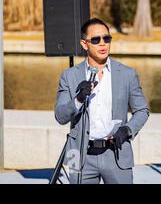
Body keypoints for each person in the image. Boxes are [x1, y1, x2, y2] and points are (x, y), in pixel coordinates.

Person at [54, 18, 149, 184]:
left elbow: (142, 110)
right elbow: (60, 116)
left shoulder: (127, 74)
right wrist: (79, 99)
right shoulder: (69, 76)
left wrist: (128, 130)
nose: (103, 44)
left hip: (116, 153)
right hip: (80, 156)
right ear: (84, 44)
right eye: (96, 40)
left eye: (107, 38)